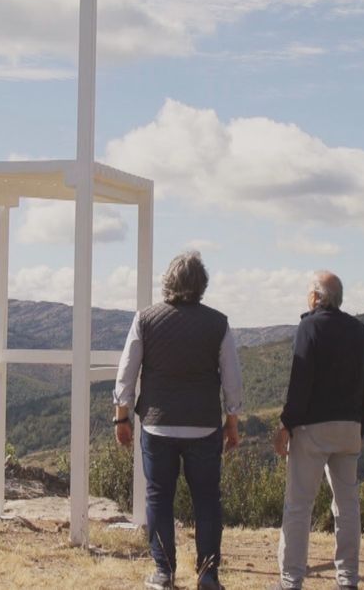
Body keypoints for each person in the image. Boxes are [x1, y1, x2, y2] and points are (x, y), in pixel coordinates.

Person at [113, 251, 242, 590]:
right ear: (202, 285)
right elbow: (232, 379)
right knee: (207, 500)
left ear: (168, 282)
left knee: (158, 496)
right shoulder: (219, 323)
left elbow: (127, 372)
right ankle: (208, 575)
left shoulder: (146, 318)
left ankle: (163, 572)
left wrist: (121, 418)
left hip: (158, 424)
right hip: (204, 425)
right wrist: (232, 421)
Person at [272, 271, 364, 590]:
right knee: (347, 506)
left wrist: (286, 423)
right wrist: (360, 427)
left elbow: (300, 381)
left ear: (316, 297)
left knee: (299, 505)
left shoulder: (309, 327)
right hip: (349, 428)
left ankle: (291, 581)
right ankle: (348, 580)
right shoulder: (359, 330)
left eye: (308, 292)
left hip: (312, 428)